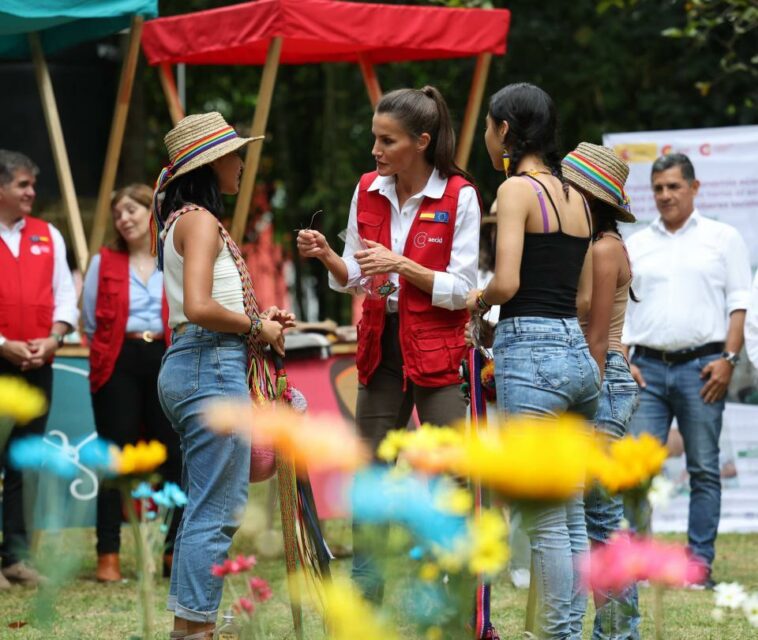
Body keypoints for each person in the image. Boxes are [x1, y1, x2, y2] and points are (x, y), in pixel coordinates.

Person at [297, 86, 481, 603]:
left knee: (451, 473)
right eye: (374, 138)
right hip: (381, 345)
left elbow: (463, 290)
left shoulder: (459, 195)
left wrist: (402, 265)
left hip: (437, 348)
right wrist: (331, 258)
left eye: (387, 140)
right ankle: (367, 595)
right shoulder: (367, 189)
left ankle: (459, 591)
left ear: (421, 141)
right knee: (371, 472)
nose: (375, 151)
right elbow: (358, 273)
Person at [153, 112, 295, 639]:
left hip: (198, 362)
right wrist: (257, 325)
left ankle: (191, 626)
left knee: (207, 509)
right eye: (236, 155)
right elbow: (199, 305)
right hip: (208, 363)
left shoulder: (182, 221)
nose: (241, 164)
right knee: (215, 513)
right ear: (213, 164)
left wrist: (259, 323)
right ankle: (194, 631)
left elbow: (202, 305)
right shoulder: (200, 220)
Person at [466, 83, 599, 639]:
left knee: (545, 520)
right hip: (576, 356)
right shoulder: (578, 195)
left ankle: (561, 635)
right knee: (568, 516)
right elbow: (586, 299)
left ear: (504, 128)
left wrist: (478, 300)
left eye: (491, 127)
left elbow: (509, 281)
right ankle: (566, 631)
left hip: (532, 357)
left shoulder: (516, 191)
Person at [622, 152, 751, 588]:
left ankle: (698, 568)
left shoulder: (723, 237)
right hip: (647, 370)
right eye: (658, 188)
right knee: (638, 472)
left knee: (704, 468)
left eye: (674, 186)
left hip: (704, 368)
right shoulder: (637, 243)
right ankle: (640, 565)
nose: (665, 195)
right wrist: (622, 357)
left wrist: (728, 361)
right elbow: (621, 307)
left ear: (694, 188)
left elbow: (739, 303)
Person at [82, 184, 182, 582]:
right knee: (115, 459)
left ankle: (174, 552)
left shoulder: (173, 256)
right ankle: (108, 555)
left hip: (166, 356)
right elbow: (90, 321)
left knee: (173, 455)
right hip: (117, 361)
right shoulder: (101, 262)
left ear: (152, 211)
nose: (124, 219)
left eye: (131, 211)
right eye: (118, 214)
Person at [563, 143, 640, 639]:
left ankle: (617, 633)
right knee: (597, 514)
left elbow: (595, 335)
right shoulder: (595, 245)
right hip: (609, 375)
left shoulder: (604, 248)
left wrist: (582, 395)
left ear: (588, 197)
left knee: (602, 517)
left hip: (602, 379)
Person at [0, 150, 78, 589]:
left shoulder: (48, 234)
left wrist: (52, 339)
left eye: (32, 184)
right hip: (1, 357)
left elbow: (65, 295)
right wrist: (3, 345)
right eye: (23, 185)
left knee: (23, 464)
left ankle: (15, 558)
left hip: (38, 360)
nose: (32, 192)